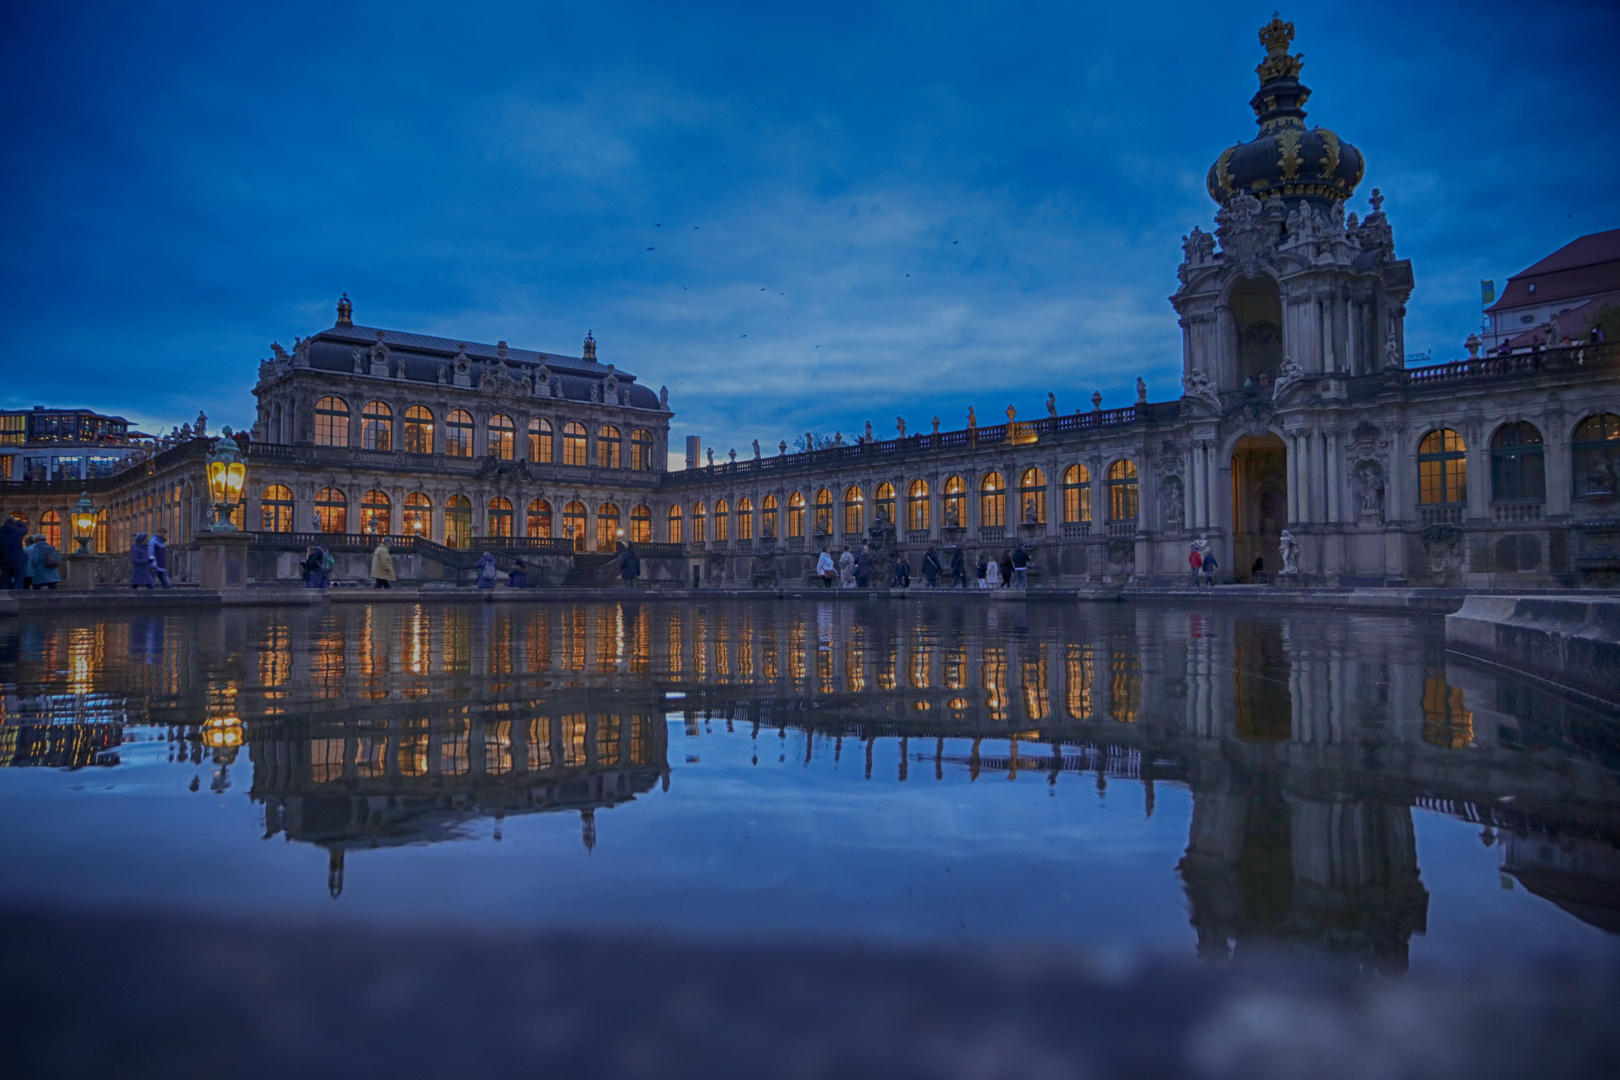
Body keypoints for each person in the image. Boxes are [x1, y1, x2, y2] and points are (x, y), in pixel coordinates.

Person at [0, 514, 26, 589]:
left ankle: (4, 594)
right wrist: (19, 522)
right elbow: (25, 530)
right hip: (17, 558)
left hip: (4, 558)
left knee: (5, 577)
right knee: (19, 576)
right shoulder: (17, 530)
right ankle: (18, 593)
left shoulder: (0, 530)